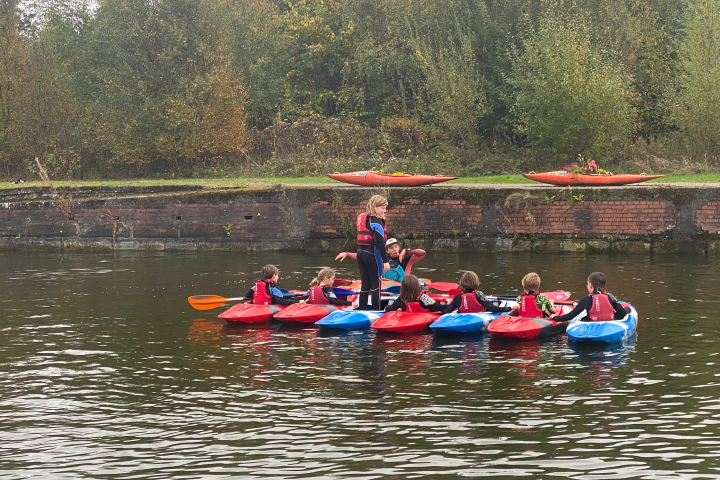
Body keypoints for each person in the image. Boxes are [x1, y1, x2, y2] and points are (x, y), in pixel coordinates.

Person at [355, 195, 391, 310]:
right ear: (375, 207)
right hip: (373, 254)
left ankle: (362, 308)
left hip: (360, 253)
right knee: (376, 285)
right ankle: (377, 310)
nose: (384, 211)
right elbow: (380, 243)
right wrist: (385, 261)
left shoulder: (364, 219)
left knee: (365, 284)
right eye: (383, 208)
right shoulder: (376, 221)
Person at [550, 271, 631, 322]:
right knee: (619, 313)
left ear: (590, 285)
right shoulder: (610, 297)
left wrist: (556, 317)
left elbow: (571, 316)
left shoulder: (586, 300)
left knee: (582, 319)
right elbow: (623, 314)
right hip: (610, 324)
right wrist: (628, 309)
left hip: (592, 324)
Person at [335, 238, 426, 282]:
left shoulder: (406, 259)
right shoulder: (383, 260)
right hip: (387, 288)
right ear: (386, 250)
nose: (394, 250)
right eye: (391, 248)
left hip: (403, 286)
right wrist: (347, 253)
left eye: (396, 247)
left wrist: (407, 251)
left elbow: (422, 253)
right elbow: (364, 257)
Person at [443, 271, 515, 315]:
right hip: (478, 317)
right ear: (476, 282)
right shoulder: (479, 294)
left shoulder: (458, 297)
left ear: (461, 283)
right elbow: (491, 308)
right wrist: (509, 308)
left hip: (462, 319)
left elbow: (447, 312)